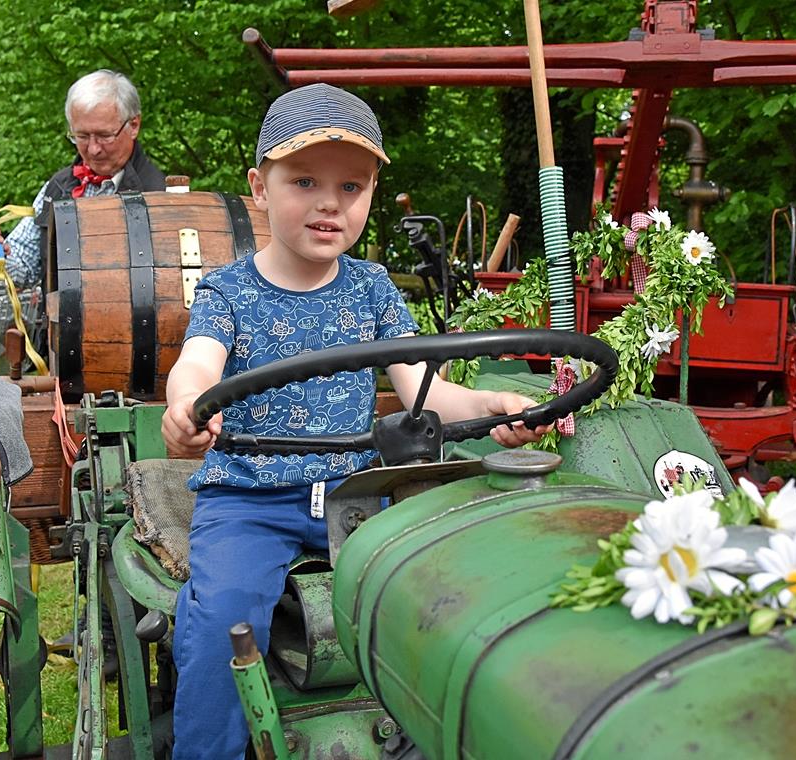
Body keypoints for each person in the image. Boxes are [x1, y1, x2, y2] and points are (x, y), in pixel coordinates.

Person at [160, 83, 551, 760]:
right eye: (304, 180)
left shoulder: (371, 287)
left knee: (443, 599)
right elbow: (197, 363)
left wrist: (489, 409)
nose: (329, 203)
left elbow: (423, 395)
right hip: (250, 496)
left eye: (352, 186)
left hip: (357, 497)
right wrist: (186, 405)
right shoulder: (229, 290)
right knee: (222, 614)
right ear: (259, 188)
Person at [0, 69, 166, 290]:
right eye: (81, 136)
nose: (93, 149)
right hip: (60, 324)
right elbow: (24, 267)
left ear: (134, 125)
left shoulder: (161, 195)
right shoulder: (58, 188)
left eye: (104, 136)